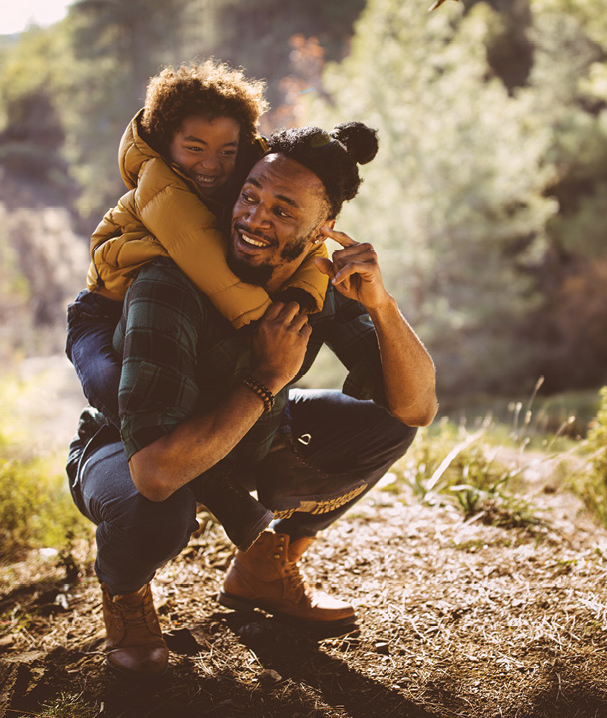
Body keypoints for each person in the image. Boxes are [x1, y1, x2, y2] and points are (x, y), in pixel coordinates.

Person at [65, 121, 438, 677]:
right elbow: (157, 471)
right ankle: (126, 594)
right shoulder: (167, 284)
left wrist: (382, 307)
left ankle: (267, 568)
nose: (255, 218)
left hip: (246, 434)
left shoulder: (314, 281)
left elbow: (417, 408)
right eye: (250, 196)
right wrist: (265, 379)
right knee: (156, 512)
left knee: (384, 427)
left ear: (322, 232)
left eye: (284, 211)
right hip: (128, 446)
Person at [66, 60, 330, 552]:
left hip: (155, 310)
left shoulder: (243, 187)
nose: (212, 164)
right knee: (111, 388)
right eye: (195, 148)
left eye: (228, 151)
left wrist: (302, 293)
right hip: (100, 316)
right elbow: (208, 263)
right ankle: (215, 489)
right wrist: (262, 322)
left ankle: (268, 456)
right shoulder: (161, 188)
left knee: (241, 371)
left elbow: (312, 249)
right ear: (166, 143)